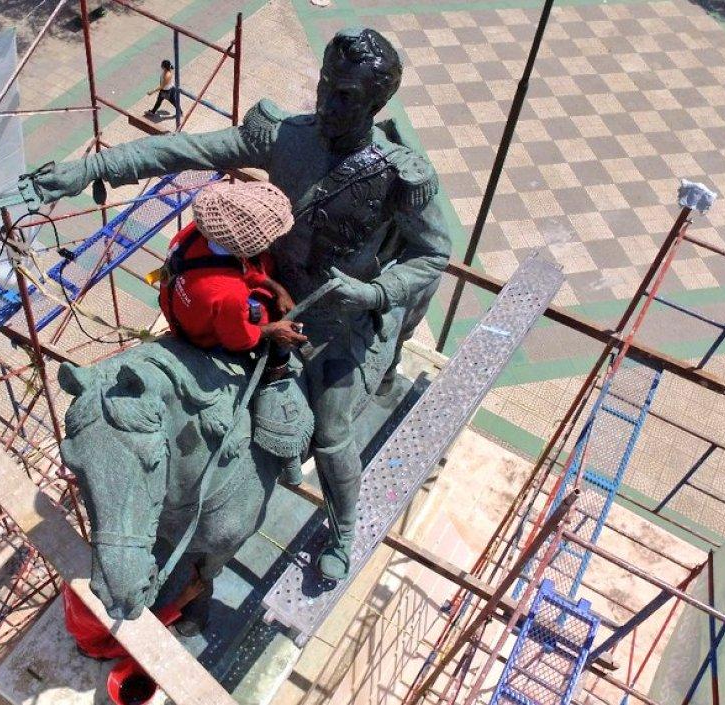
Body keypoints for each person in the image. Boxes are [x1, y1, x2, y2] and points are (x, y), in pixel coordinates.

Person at [23, 28, 452, 580]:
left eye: (343, 94)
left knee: (330, 429)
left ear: (376, 103)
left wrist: (375, 292)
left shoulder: (398, 176)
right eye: (324, 84)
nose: (325, 101)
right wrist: (91, 170)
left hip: (340, 321)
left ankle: (345, 525)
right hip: (267, 298)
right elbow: (184, 149)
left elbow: (434, 254)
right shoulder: (288, 138)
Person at [158, 181, 306, 372]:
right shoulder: (230, 293)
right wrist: (274, 330)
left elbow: (236, 267)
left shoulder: (193, 232)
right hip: (199, 335)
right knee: (264, 313)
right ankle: (273, 370)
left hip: (179, 305)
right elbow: (239, 340)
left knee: (265, 269)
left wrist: (278, 289)